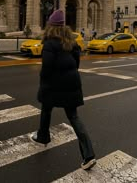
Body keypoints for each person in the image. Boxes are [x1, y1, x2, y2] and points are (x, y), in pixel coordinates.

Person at [31, 9, 96, 170]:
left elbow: (47, 67)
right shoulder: (72, 42)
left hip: (53, 85)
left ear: (51, 26)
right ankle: (88, 155)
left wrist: (44, 80)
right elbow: (76, 63)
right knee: (73, 116)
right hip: (71, 83)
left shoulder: (49, 42)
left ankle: (43, 137)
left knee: (46, 109)